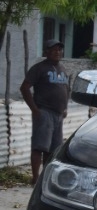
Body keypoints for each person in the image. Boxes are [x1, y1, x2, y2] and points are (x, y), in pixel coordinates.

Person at [20, 39, 70, 185]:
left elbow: (66, 90)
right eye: (54, 49)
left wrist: (65, 108)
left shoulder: (63, 69)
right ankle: (35, 178)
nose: (57, 52)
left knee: (52, 150)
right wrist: (35, 109)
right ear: (46, 52)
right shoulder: (39, 68)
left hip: (58, 114)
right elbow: (24, 88)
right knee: (39, 146)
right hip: (44, 111)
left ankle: (45, 178)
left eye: (59, 49)